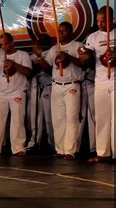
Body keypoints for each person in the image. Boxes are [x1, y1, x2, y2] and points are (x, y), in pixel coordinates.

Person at [39, 22, 84, 160]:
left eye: (64, 31)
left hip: (72, 85)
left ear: (71, 32)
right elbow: (47, 67)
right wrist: (40, 58)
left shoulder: (78, 45)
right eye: (59, 31)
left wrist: (68, 57)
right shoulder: (54, 48)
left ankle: (70, 151)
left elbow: (84, 62)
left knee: (71, 118)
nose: (61, 34)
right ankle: (60, 149)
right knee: (58, 119)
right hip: (56, 85)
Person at [0, 33, 32, 156]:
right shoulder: (0, 58)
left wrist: (14, 64)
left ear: (12, 43)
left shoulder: (22, 55)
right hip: (2, 92)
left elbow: (28, 72)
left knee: (17, 120)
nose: (3, 47)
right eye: (1, 44)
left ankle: (18, 147)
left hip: (17, 91)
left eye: (5, 44)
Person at [80, 6, 115, 162]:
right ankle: (103, 153)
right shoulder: (93, 37)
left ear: (111, 19)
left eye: (104, 21)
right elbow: (85, 59)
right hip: (100, 80)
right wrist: (84, 54)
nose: (100, 24)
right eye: (98, 21)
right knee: (102, 118)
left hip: (115, 80)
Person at [27, 34, 55, 151]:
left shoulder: (53, 52)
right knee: (34, 117)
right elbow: (30, 73)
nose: (41, 44)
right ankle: (34, 142)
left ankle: (53, 143)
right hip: (35, 88)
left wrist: (40, 58)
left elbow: (50, 70)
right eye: (40, 41)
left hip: (49, 87)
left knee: (49, 118)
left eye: (44, 41)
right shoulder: (31, 56)